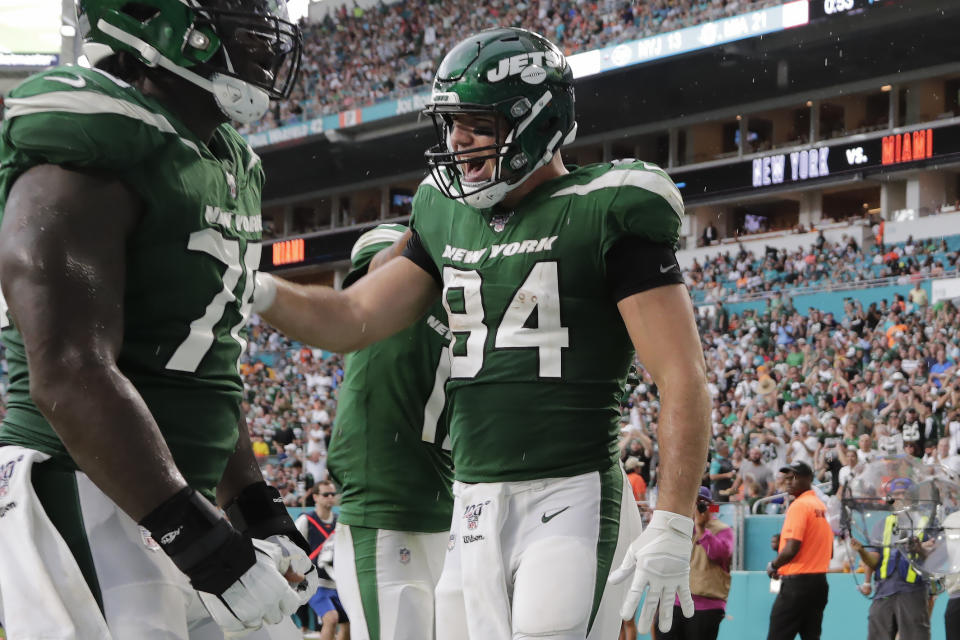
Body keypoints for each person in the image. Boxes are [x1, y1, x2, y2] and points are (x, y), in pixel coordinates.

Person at [254, 26, 711, 639]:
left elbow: (682, 377)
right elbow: (351, 318)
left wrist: (675, 520)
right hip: (470, 503)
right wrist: (254, 287)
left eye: (476, 123)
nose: (457, 141)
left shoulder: (608, 206)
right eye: (451, 123)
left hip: (571, 493)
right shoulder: (445, 214)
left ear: (535, 121)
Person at [0, 1, 317, 638]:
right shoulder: (91, 144)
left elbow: (200, 364)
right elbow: (68, 372)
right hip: (85, 487)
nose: (266, 42)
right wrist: (199, 539)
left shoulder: (222, 160)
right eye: (244, 20)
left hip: (171, 494)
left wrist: (254, 507)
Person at [327, 224, 455, 640]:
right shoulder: (443, 307)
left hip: (433, 504)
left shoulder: (461, 303)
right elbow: (377, 277)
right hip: (390, 505)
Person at [849, 478, 932, 640]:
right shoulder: (881, 525)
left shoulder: (926, 522)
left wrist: (920, 549)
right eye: (896, 493)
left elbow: (934, 557)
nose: (900, 496)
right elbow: (874, 561)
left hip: (913, 590)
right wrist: (861, 552)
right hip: (884, 591)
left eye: (904, 493)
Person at [765, 462, 833, 640]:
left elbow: (792, 549)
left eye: (794, 477)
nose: (789, 482)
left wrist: (773, 565)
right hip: (819, 583)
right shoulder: (820, 506)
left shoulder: (799, 505)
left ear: (809, 479)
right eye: (787, 478)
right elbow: (828, 550)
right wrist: (782, 543)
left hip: (797, 583)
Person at [655, 487, 732, 640]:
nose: (696, 508)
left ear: (710, 507)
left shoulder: (722, 530)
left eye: (701, 504)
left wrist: (702, 530)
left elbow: (720, 555)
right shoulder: (678, 528)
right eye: (692, 503)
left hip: (706, 606)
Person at [295, 482, 340, 634]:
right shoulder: (306, 520)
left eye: (333, 494)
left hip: (339, 583)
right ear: (315, 497)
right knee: (331, 618)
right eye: (326, 494)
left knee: (348, 626)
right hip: (316, 583)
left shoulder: (340, 522)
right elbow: (292, 549)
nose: (330, 498)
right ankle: (305, 627)